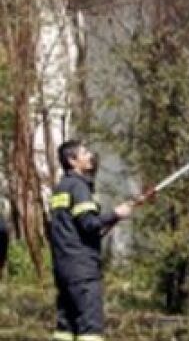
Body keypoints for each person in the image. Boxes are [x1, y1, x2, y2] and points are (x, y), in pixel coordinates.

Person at [49, 140, 135, 341]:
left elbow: (77, 230)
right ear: (72, 161)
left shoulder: (62, 187)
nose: (90, 156)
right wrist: (115, 213)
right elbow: (89, 224)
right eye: (85, 153)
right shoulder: (79, 187)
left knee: (66, 327)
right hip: (83, 270)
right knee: (90, 328)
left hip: (64, 268)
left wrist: (113, 219)